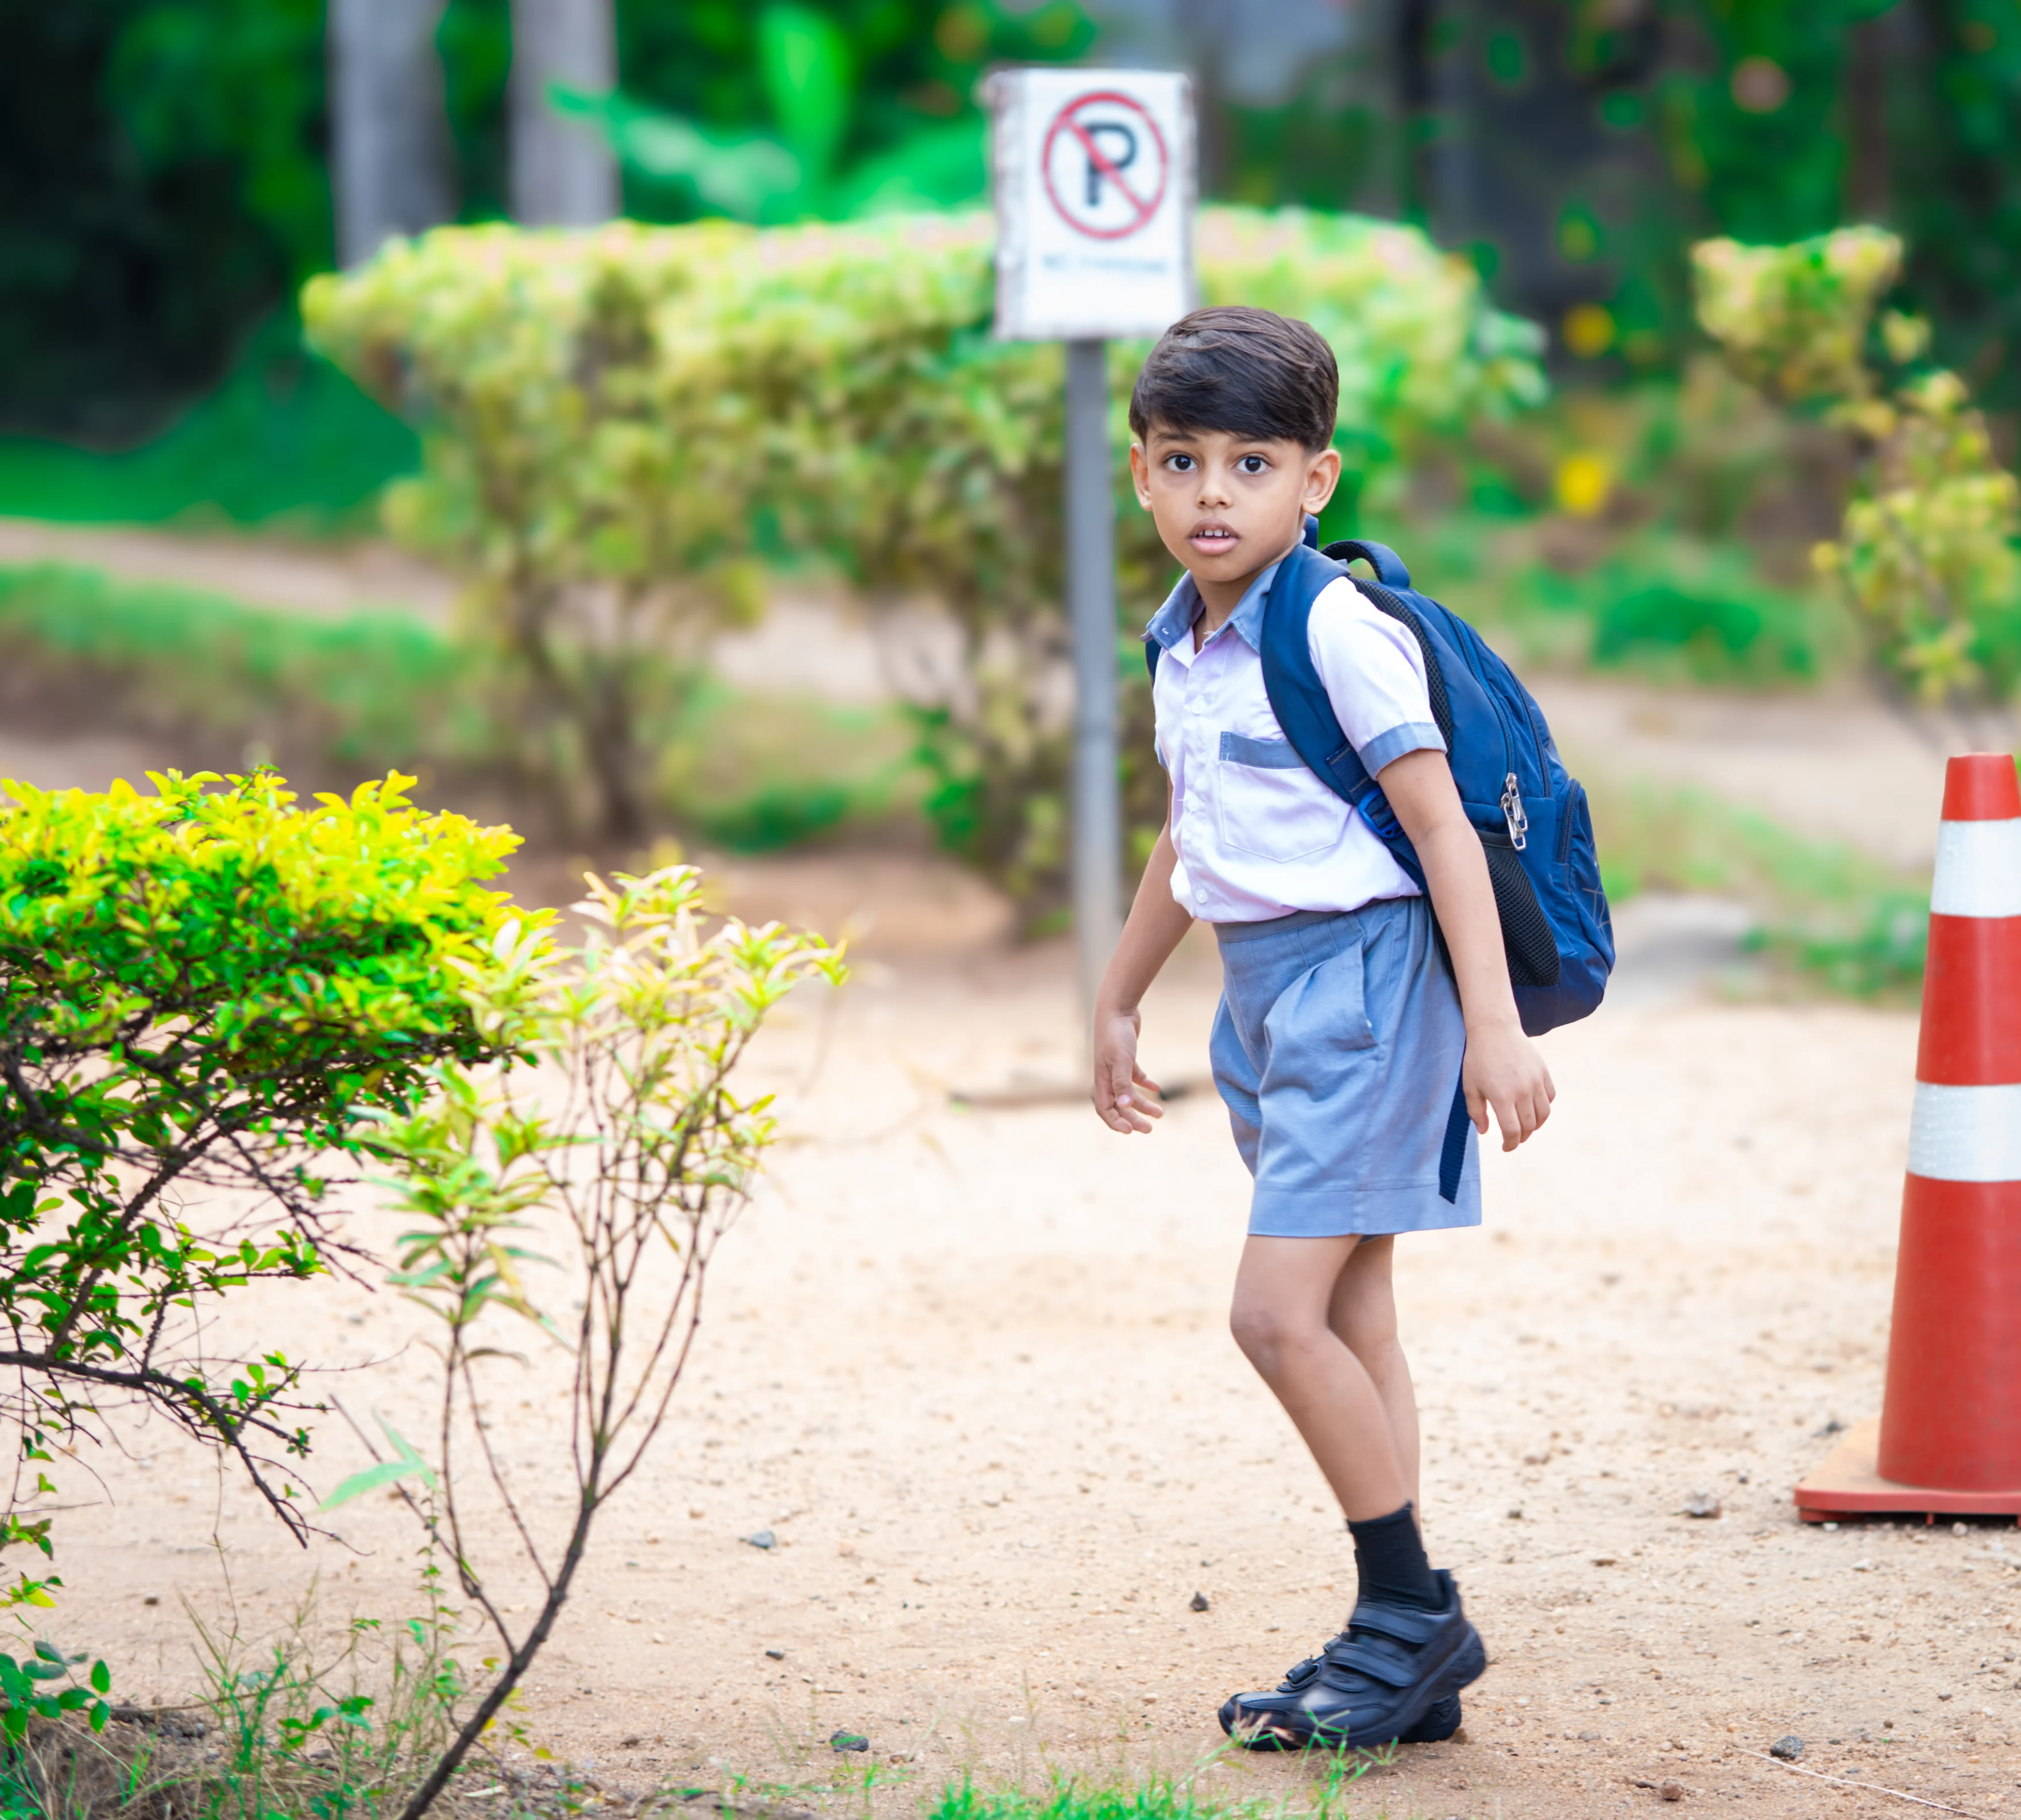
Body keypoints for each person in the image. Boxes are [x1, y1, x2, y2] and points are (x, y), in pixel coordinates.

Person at [1091, 306, 1556, 1751]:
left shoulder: (1333, 629)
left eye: (1250, 462)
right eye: (1182, 460)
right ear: (1142, 475)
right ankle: (1395, 1643)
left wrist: (1495, 1027)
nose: (1212, 492)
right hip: (1270, 991)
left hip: (1370, 984)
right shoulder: (1185, 641)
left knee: (1272, 1314)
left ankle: (1413, 1613)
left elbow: (1440, 827)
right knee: (1351, 1313)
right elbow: (1192, 837)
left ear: (1318, 480)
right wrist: (1117, 996)